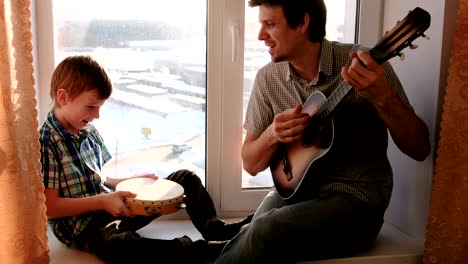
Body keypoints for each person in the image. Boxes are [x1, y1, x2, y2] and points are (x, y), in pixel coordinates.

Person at [215, 1, 431, 263]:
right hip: (299, 195)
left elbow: (420, 148)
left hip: (358, 203)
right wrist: (273, 133)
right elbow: (250, 163)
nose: (261, 36)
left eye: (270, 24)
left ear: (303, 23)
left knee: (264, 230)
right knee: (254, 227)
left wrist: (382, 97)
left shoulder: (366, 65)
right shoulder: (268, 78)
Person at [40, 55, 252, 264]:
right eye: (91, 107)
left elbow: (98, 179)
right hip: (85, 229)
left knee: (185, 178)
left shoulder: (84, 128)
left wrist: (130, 181)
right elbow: (51, 206)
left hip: (109, 207)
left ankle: (216, 230)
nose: (97, 116)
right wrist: (103, 200)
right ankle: (202, 251)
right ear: (63, 97)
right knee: (119, 245)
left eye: (100, 108)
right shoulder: (47, 141)